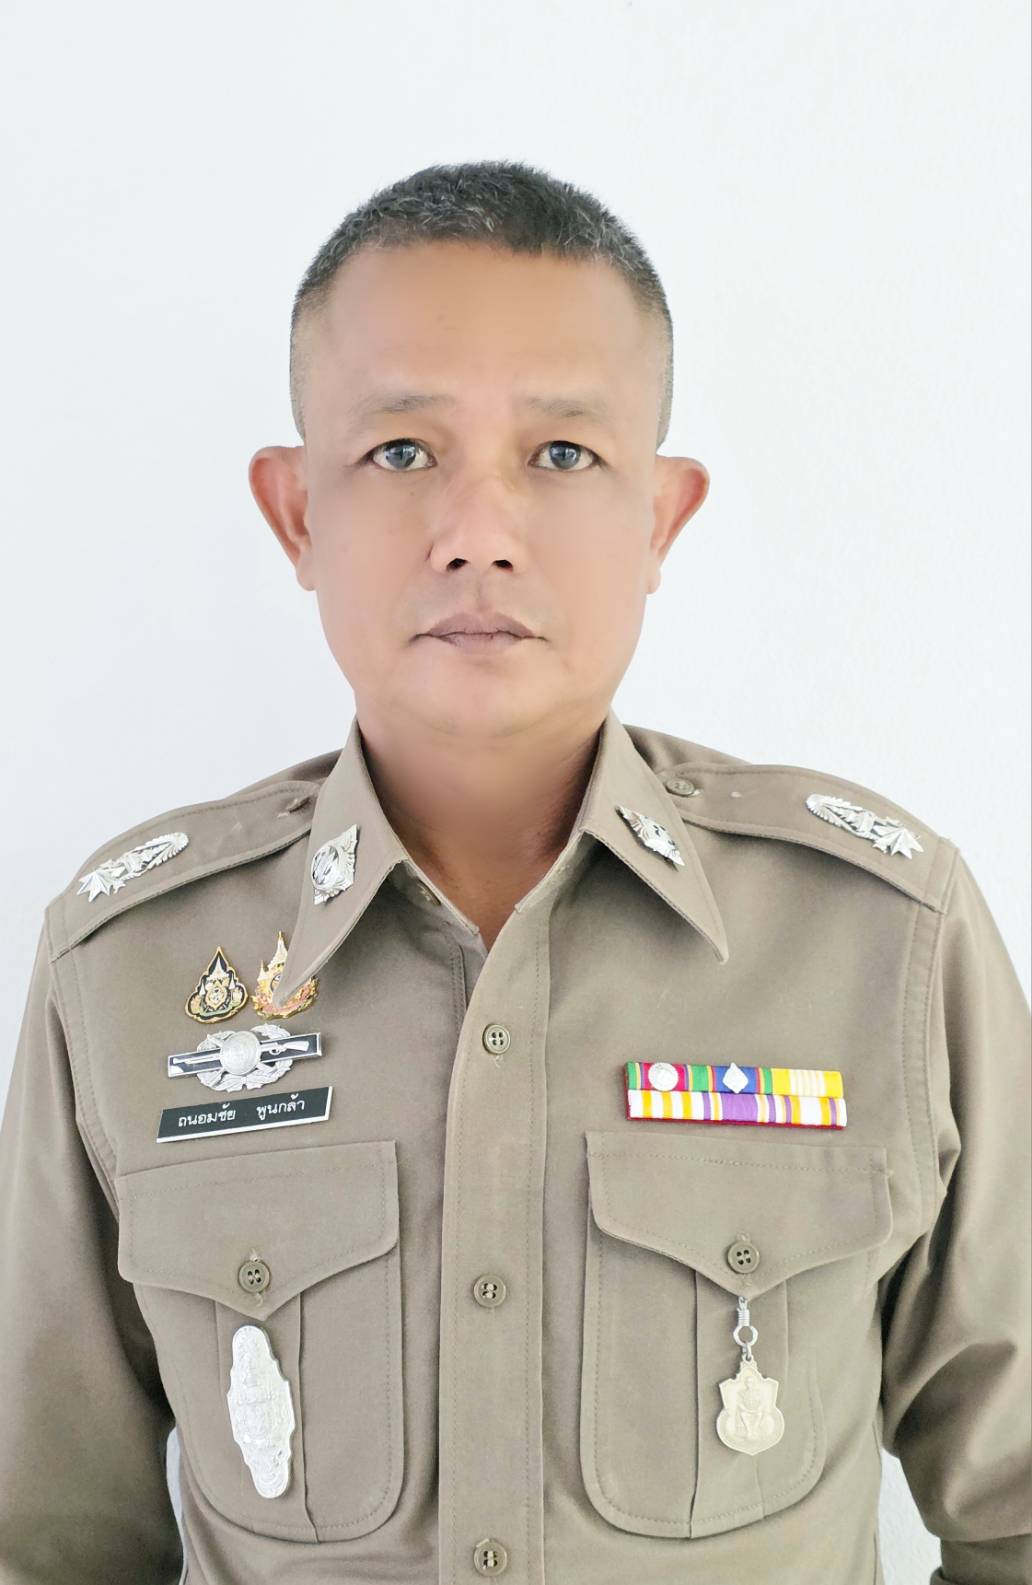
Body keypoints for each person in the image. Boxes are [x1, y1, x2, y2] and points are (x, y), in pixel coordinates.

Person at [1, 159, 1028, 1585]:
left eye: (560, 455)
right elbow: (48, 1541)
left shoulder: (878, 939)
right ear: (296, 514)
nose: (478, 532)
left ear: (659, 517)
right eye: (400, 452)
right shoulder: (128, 970)